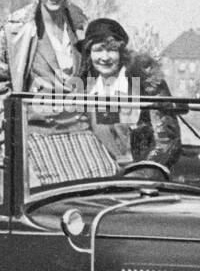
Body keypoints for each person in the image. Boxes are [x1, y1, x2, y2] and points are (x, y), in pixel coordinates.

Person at [0, 0, 87, 155]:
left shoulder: (81, 26)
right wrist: (8, 133)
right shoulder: (15, 28)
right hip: (29, 128)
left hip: (74, 127)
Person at [77, 17, 180, 173]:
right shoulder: (85, 89)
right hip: (97, 177)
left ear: (121, 51)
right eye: (98, 50)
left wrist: (140, 174)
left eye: (111, 50)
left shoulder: (146, 86)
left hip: (141, 180)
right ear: (89, 54)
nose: (105, 57)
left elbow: (167, 143)